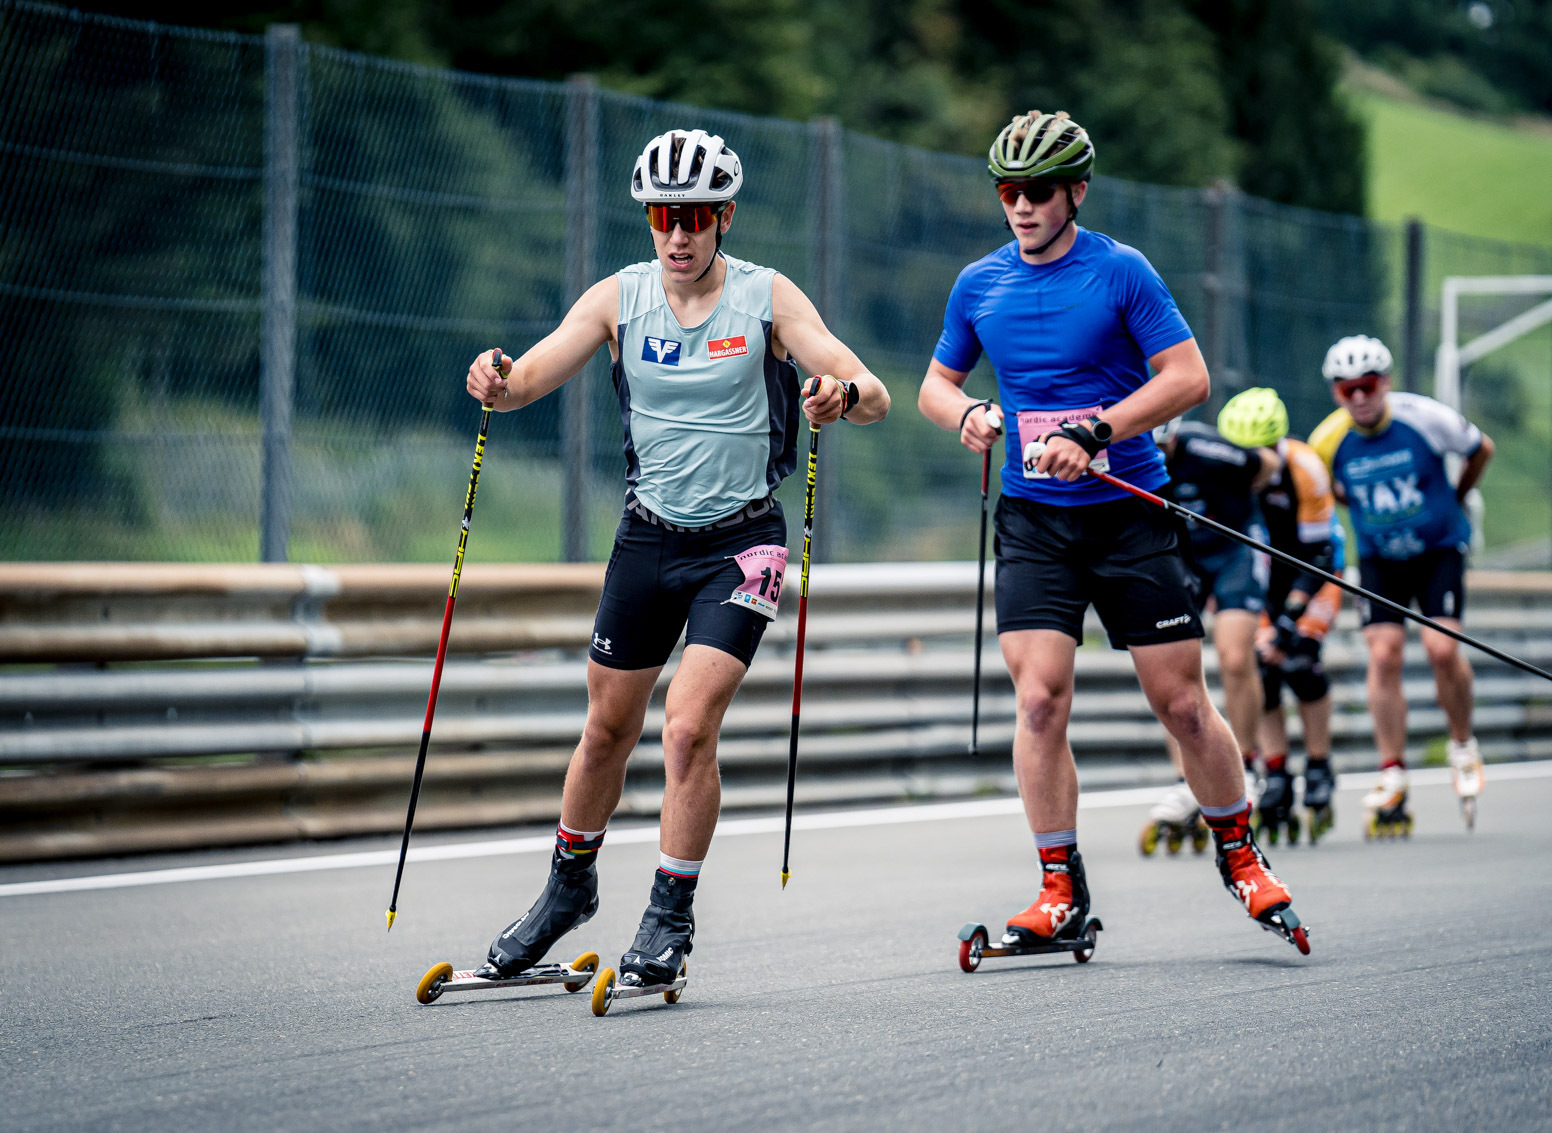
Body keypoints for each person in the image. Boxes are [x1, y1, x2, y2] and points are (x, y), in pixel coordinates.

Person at [463, 128, 890, 989]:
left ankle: (667, 916)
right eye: (663, 215)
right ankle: (567, 888)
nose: (678, 233)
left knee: (689, 725)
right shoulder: (620, 297)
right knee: (606, 729)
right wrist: (494, 379)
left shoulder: (766, 298)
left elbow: (870, 392)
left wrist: (841, 396)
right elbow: (531, 377)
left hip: (743, 542)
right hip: (648, 538)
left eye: (695, 215)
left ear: (724, 216)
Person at [917, 110, 1306, 949]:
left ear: (1076, 192)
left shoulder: (1122, 272)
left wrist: (1096, 431)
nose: (1020, 206)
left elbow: (1188, 377)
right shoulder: (978, 284)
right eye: (1007, 191)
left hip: (1129, 513)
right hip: (1033, 523)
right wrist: (971, 414)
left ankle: (1238, 851)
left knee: (1180, 702)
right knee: (1039, 700)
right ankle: (1059, 888)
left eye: (1038, 191)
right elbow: (934, 385)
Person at [1309, 336, 1493, 836]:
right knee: (1384, 654)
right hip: (1380, 558)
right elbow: (1322, 489)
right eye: (1348, 391)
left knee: (1440, 647)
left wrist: (1458, 496)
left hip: (1437, 550)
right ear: (1336, 393)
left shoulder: (1425, 418)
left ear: (1385, 383)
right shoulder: (1326, 442)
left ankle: (1462, 744)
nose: (1360, 399)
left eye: (1368, 387)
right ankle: (1392, 768)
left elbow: (1481, 449)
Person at [1138, 415, 1276, 856]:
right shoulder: (1128, 456)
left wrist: (1243, 501)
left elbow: (1267, 463)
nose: (1156, 456)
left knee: (1235, 657)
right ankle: (1185, 779)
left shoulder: (1206, 447)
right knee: (1171, 674)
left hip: (1234, 549)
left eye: (1163, 448)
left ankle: (1249, 763)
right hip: (1182, 558)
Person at [1215, 388, 1346, 845]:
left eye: (1264, 452)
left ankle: (1318, 763)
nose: (1256, 463)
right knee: (1264, 671)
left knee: (1299, 662)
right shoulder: (1223, 472)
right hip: (1260, 580)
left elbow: (1321, 553)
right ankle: (1275, 770)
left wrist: (1290, 620)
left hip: (1316, 572)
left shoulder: (1305, 468)